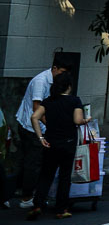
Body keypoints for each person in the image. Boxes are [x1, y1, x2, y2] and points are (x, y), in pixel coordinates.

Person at [27, 73, 87, 220]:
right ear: (69, 86)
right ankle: (61, 209)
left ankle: (37, 205)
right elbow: (78, 120)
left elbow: (34, 117)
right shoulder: (75, 101)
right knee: (64, 176)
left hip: (50, 142)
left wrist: (40, 137)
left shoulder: (48, 101)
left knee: (46, 174)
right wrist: (87, 119)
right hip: (68, 143)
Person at [14, 58, 68, 208]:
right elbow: (36, 107)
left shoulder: (53, 82)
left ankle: (19, 192)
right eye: (61, 72)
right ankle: (26, 198)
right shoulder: (41, 81)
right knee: (33, 162)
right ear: (54, 68)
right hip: (31, 127)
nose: (62, 76)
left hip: (36, 125)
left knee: (28, 161)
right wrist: (51, 126)